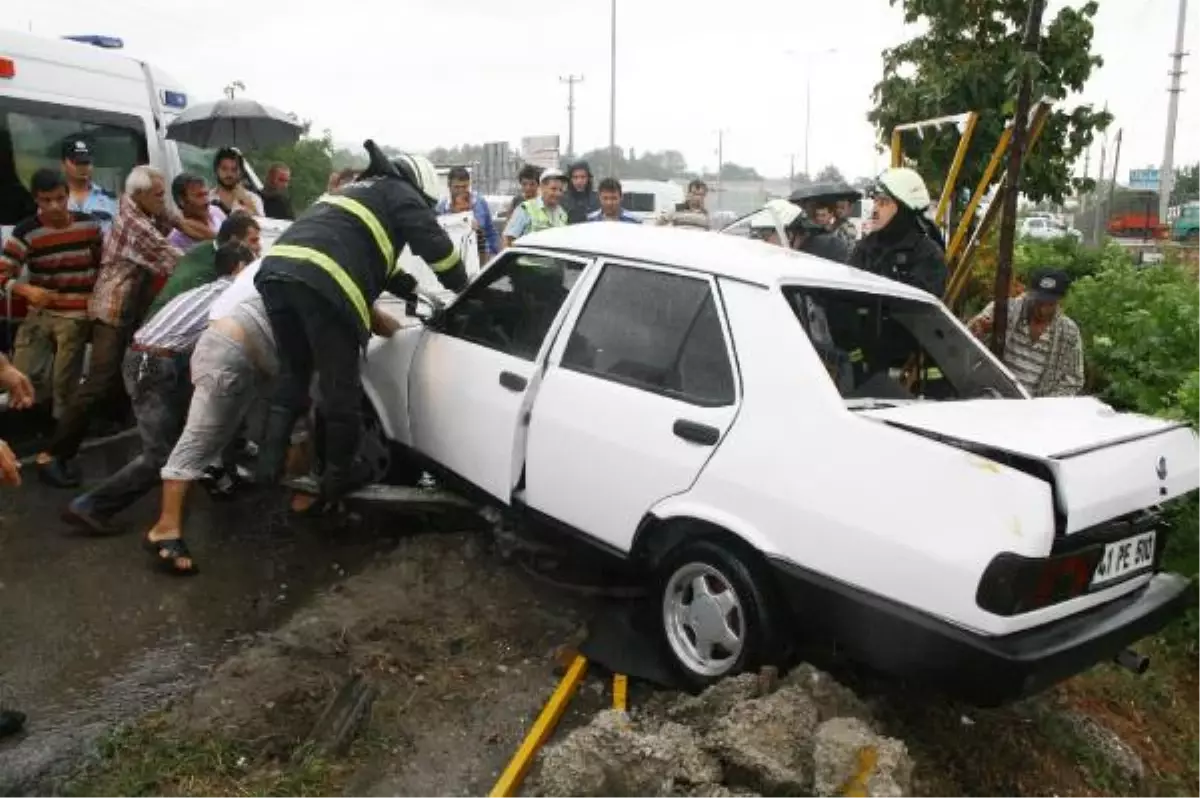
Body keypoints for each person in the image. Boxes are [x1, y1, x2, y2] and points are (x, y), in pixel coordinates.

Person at [251, 141, 468, 512]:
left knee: (293, 372)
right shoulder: (401, 192)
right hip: (322, 281)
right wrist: (463, 287)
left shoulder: (359, 191)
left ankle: (268, 465)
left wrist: (412, 290)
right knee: (341, 386)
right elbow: (437, 247)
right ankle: (339, 475)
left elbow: (374, 259)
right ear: (420, 187)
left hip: (277, 272)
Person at [62, 242, 256, 556]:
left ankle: (199, 485)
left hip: (155, 360)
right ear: (239, 267)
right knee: (160, 457)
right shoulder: (233, 294)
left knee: (181, 440)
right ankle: (90, 507)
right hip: (152, 363)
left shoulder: (208, 289)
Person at [39, 166, 186, 488]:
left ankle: (110, 426)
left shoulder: (143, 209)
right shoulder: (134, 223)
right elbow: (173, 258)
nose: (163, 200)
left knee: (120, 374)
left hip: (128, 307)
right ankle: (52, 454)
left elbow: (174, 219)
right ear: (140, 194)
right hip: (113, 308)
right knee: (99, 380)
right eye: (158, 195)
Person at [0, 170, 103, 427]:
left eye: (59, 198)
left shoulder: (89, 226)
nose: (54, 206)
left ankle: (61, 426)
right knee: (22, 371)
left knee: (64, 377)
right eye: (46, 200)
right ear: (37, 200)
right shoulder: (27, 231)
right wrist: (25, 290)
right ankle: (26, 419)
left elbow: (104, 266)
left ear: (68, 195)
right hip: (42, 308)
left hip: (77, 309)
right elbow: (2, 274)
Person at [968, 268, 1084, 398]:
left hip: (1035, 406)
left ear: (1060, 301)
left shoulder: (1069, 332)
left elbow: (1074, 380)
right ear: (1029, 293)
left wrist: (1043, 404)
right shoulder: (1004, 310)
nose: (1042, 310)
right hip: (992, 396)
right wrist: (980, 330)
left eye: (1050, 304)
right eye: (1038, 301)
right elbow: (968, 340)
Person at [144, 213, 262, 321]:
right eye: (253, 241)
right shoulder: (214, 271)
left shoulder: (205, 247)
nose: (259, 247)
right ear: (234, 240)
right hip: (164, 324)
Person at [848, 168, 947, 296]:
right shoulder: (865, 248)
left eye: (883, 203)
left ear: (903, 208)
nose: (874, 210)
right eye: (875, 201)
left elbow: (920, 304)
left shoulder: (927, 254)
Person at [436, 166, 500, 261]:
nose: (461, 191)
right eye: (457, 187)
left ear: (469, 184)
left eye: (464, 187)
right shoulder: (441, 208)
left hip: (481, 257)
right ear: (449, 185)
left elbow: (490, 231)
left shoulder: (479, 202)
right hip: (453, 257)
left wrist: (495, 254)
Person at [61, 137, 118, 233]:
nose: (83, 167)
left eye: (86, 162)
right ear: (63, 164)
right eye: (77, 163)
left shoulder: (110, 199)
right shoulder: (53, 199)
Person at [503, 168, 568, 246]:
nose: (558, 193)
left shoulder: (562, 214)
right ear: (542, 187)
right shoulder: (525, 209)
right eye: (553, 189)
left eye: (560, 190)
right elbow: (508, 240)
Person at [167, 173, 224, 250]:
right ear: (181, 201)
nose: (206, 201)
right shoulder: (176, 240)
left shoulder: (216, 211)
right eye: (199, 196)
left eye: (206, 194)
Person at [210, 147, 264, 217]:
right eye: (224, 169)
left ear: (241, 172)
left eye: (234, 170)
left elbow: (261, 222)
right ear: (216, 170)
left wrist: (246, 201)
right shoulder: (208, 198)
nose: (229, 174)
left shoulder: (253, 199)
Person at [562, 160, 600, 225]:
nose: (579, 181)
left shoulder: (597, 198)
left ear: (588, 178)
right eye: (575, 177)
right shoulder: (562, 198)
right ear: (570, 179)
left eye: (583, 177)